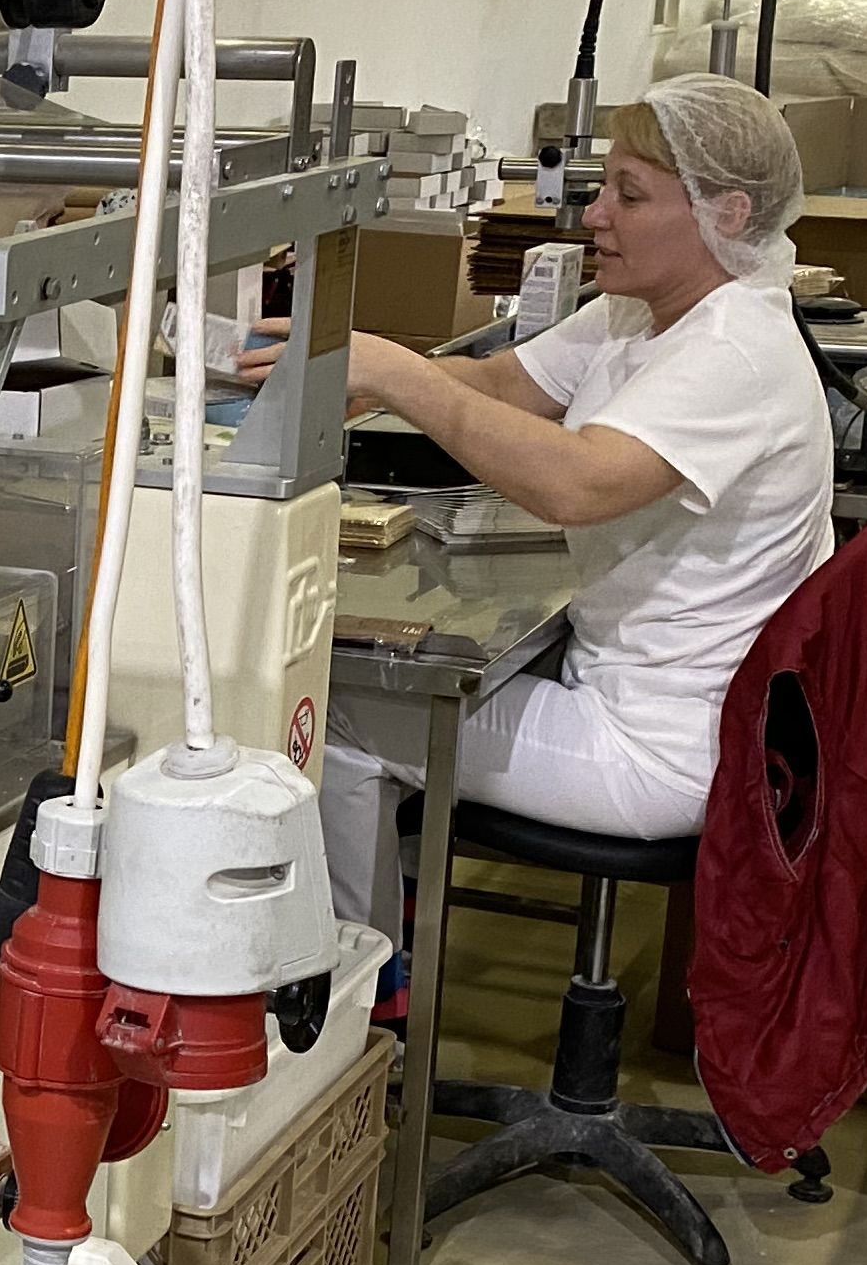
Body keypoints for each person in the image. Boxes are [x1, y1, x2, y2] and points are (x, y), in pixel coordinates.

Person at [262, 74, 835, 961]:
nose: (594, 215)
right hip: (628, 685)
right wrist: (346, 369)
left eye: (629, 196)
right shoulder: (643, 310)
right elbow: (504, 384)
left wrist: (396, 376)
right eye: (604, 187)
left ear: (727, 213)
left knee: (327, 713)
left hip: (664, 745)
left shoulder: (735, 350)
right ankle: (373, 939)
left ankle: (361, 992)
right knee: (378, 703)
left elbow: (577, 484)